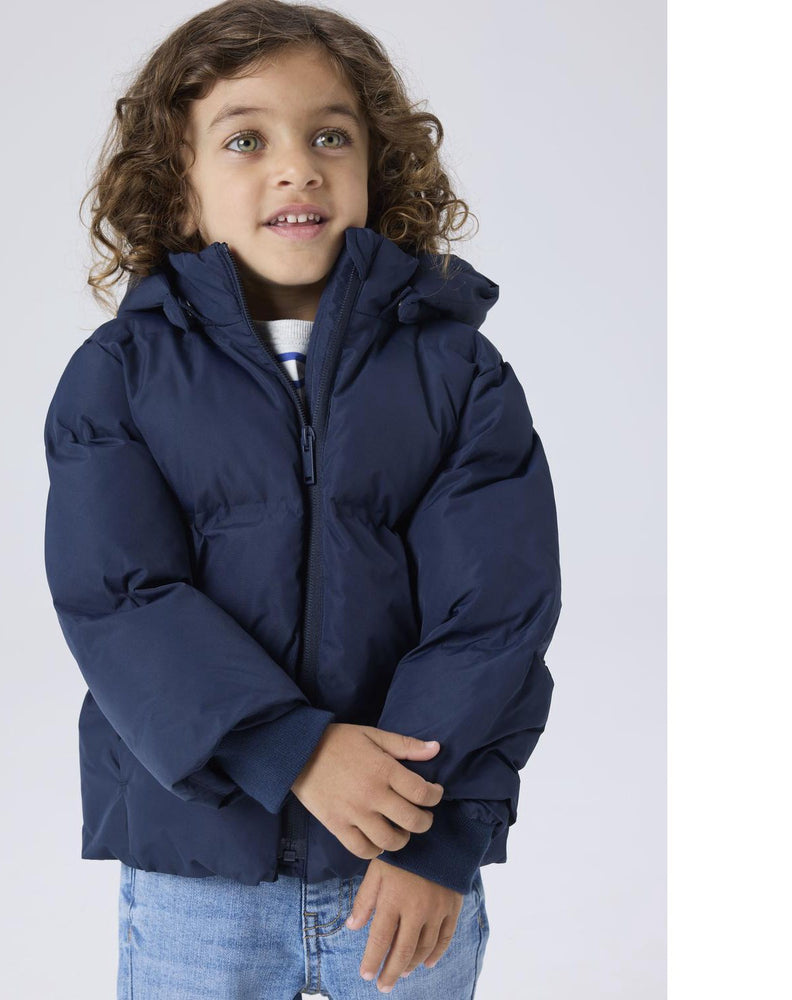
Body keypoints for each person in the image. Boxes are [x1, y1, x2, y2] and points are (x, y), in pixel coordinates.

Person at [42, 2, 562, 996]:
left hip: (403, 866)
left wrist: (435, 835)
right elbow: (120, 599)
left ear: (378, 168)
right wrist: (294, 749)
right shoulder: (120, 376)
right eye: (247, 139)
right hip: (198, 874)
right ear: (181, 187)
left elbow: (495, 614)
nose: (298, 167)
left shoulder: (459, 374)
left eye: (330, 136)